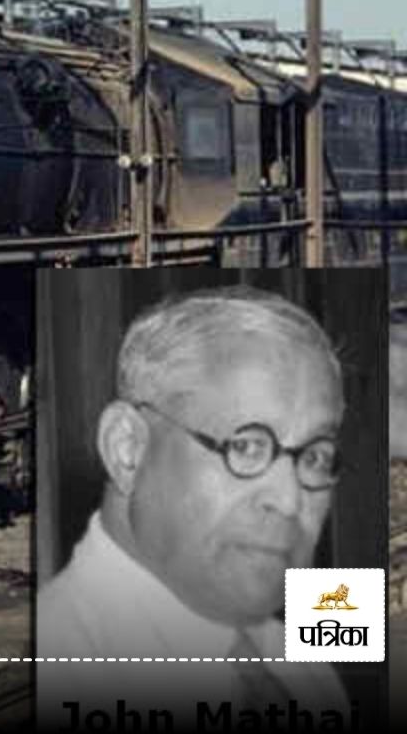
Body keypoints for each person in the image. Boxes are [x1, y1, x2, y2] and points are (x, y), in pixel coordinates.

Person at [37, 285, 351, 727]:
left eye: (315, 456)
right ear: (128, 450)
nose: (289, 500)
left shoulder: (302, 666)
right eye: (244, 446)